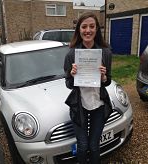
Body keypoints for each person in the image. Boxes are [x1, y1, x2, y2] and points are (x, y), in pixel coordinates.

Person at [64, 12, 112, 164]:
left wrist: (104, 77)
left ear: (97, 29)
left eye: (92, 26)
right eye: (84, 26)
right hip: (80, 105)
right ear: (79, 30)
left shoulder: (105, 52)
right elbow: (68, 84)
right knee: (83, 146)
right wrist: (72, 75)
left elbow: (108, 81)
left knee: (94, 146)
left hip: (98, 104)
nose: (88, 30)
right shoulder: (71, 54)